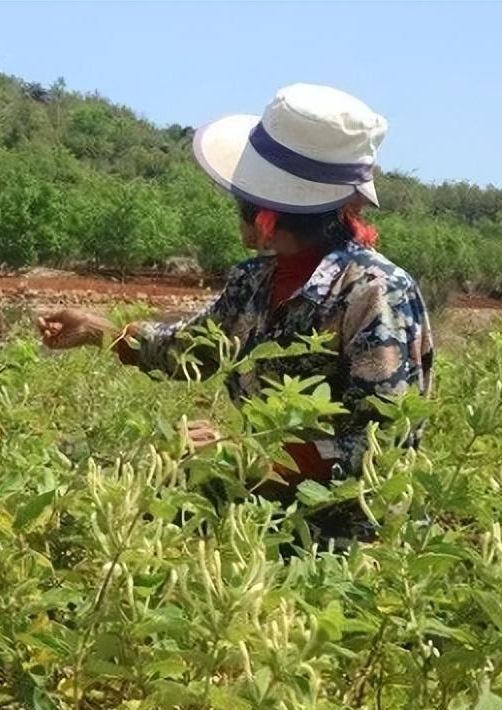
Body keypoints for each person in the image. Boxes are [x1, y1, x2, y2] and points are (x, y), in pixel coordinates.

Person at [39, 84, 433, 540]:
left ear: (267, 212)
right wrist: (99, 330)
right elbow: (189, 350)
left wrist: (240, 452)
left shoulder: (373, 293)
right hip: (261, 524)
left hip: (350, 546)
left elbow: (379, 447)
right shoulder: (254, 281)